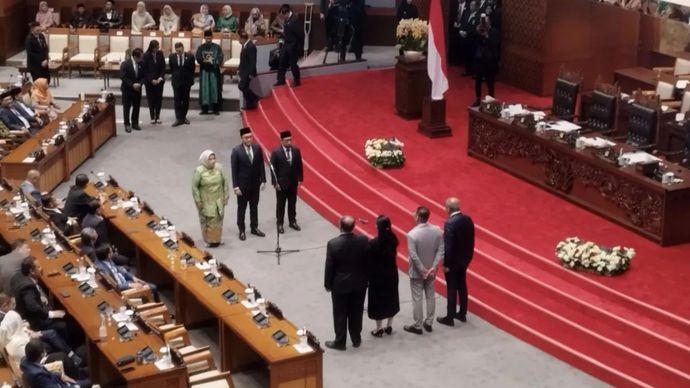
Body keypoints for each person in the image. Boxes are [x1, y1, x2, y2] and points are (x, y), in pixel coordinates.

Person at [0, 295, 81, 378]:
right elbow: (33, 360)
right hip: (39, 362)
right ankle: (74, 364)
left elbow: (21, 333)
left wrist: (29, 332)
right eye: (18, 323)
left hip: (34, 350)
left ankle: (72, 357)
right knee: (57, 348)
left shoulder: (11, 335)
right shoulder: (16, 344)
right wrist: (31, 336)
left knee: (51, 335)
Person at [324, 215, 369, 350]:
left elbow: (329, 266)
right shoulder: (363, 240)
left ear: (340, 226)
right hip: (359, 283)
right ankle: (356, 339)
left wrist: (327, 284)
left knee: (340, 313)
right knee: (356, 312)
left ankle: (340, 341)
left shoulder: (333, 244)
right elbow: (367, 262)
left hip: (340, 285)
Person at [403, 206, 443, 335]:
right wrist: (433, 267)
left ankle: (418, 325)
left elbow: (413, 255)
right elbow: (441, 250)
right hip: (431, 270)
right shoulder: (437, 230)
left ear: (418, 217)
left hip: (417, 271)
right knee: (430, 295)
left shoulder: (412, 234)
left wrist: (422, 270)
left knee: (417, 298)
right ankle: (429, 322)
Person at [437, 197, 475, 326]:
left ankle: (450, 316)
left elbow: (449, 247)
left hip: (453, 262)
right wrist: (468, 258)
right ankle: (462, 313)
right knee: (462, 286)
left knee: (451, 288)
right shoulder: (468, 219)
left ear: (448, 208)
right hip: (464, 260)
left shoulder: (450, 224)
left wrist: (446, 264)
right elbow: (471, 241)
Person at [10, 257, 67, 334]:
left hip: (23, 312)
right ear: (32, 271)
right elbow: (33, 307)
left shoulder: (17, 276)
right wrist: (51, 314)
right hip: (33, 321)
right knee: (64, 322)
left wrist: (36, 296)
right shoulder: (28, 287)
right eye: (39, 267)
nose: (41, 268)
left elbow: (23, 294)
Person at [230, 127, 266, 241]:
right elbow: (234, 170)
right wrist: (235, 186)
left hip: (255, 184)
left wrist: (263, 180)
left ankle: (254, 227)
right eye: (246, 137)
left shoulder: (257, 148)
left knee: (254, 207)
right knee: (242, 208)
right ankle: (241, 230)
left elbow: (261, 164)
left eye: (250, 137)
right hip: (242, 185)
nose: (249, 139)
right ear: (241, 138)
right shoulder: (236, 151)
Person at [367, 215, 400, 337]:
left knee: (378, 300)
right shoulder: (394, 239)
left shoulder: (374, 243)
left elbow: (369, 260)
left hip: (378, 275)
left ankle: (379, 328)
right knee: (391, 297)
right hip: (391, 273)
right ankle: (389, 325)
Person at [192, 150, 229, 247]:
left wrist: (226, 196)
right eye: (210, 159)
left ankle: (217, 238)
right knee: (208, 220)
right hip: (206, 200)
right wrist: (198, 200)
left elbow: (225, 182)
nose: (213, 161)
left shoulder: (219, 168)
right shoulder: (199, 171)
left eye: (214, 158)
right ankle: (207, 239)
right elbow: (194, 187)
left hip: (218, 199)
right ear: (205, 160)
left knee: (219, 219)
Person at [94, 245, 158, 300]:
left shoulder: (107, 260)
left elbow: (120, 270)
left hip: (126, 281)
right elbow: (115, 286)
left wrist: (133, 278)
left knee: (146, 284)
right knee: (153, 287)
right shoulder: (103, 269)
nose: (113, 253)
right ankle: (156, 306)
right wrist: (130, 285)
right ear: (108, 255)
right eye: (111, 252)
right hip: (123, 289)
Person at [270, 130, 303, 233]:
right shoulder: (276, 153)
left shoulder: (296, 150)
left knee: (292, 203)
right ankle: (280, 223)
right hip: (281, 184)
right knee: (281, 205)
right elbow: (272, 169)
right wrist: (275, 183)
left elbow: (299, 166)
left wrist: (300, 178)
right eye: (287, 140)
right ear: (281, 141)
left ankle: (292, 221)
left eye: (290, 140)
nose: (289, 142)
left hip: (293, 183)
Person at [21, 339, 87, 387]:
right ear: (42, 354)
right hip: (61, 385)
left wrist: (59, 375)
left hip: (57, 380)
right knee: (91, 382)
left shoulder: (25, 362)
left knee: (87, 371)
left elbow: (48, 374)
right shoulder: (39, 376)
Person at [471, 14, 499, 107]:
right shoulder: (479, 29)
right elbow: (474, 41)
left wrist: (486, 35)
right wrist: (477, 32)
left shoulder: (494, 31)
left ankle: (491, 100)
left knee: (489, 81)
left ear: (489, 22)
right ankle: (478, 99)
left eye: (485, 21)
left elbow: (494, 44)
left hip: (489, 60)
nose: (484, 23)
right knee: (478, 80)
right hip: (479, 58)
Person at [196, 30, 223, 115]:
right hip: (204, 70)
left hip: (214, 70)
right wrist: (204, 61)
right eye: (206, 38)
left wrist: (214, 62)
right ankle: (205, 109)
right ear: (204, 38)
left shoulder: (217, 47)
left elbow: (220, 56)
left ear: (212, 37)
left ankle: (216, 109)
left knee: (215, 88)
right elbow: (198, 57)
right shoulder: (201, 47)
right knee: (205, 89)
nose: (208, 40)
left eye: (209, 38)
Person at [275, 4, 304, 87]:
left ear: (287, 13)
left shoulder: (295, 19)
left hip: (293, 46)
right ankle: (281, 80)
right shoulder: (287, 19)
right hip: (286, 44)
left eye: (283, 16)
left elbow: (300, 34)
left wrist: (298, 46)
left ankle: (297, 80)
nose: (282, 18)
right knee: (282, 62)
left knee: (293, 64)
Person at [169, 42, 195, 127]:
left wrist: (191, 80)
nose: (178, 52)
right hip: (176, 82)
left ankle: (184, 117)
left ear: (183, 48)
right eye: (176, 50)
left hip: (186, 81)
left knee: (185, 100)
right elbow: (172, 68)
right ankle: (178, 118)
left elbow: (192, 69)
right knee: (177, 100)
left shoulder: (190, 56)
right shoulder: (172, 57)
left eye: (179, 50)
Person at [120, 47, 144, 132]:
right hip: (127, 90)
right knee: (127, 108)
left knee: (136, 107)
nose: (142, 59)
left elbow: (143, 76)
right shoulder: (125, 64)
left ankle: (135, 123)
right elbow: (123, 77)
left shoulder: (142, 64)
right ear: (135, 57)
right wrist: (132, 85)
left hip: (137, 90)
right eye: (140, 57)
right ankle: (127, 124)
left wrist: (140, 84)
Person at [143, 40, 165, 124]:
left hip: (159, 81)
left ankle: (158, 116)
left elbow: (163, 67)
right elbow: (145, 70)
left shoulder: (160, 54)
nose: (158, 49)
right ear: (152, 48)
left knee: (159, 99)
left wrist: (160, 78)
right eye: (156, 47)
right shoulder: (146, 56)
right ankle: (152, 117)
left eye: (158, 47)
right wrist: (151, 80)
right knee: (151, 99)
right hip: (149, 82)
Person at [238, 31, 259, 110]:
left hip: (248, 72)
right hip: (243, 71)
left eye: (239, 39)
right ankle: (250, 104)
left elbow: (253, 61)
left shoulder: (251, 46)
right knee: (244, 87)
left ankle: (254, 97)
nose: (238, 41)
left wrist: (251, 73)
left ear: (242, 39)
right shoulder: (245, 45)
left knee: (242, 86)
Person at [458, 0, 479, 76]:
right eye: (470, 5)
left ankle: (473, 71)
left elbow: (476, 28)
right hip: (464, 38)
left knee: (472, 55)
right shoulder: (467, 13)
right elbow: (463, 23)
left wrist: (467, 33)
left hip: (472, 39)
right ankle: (467, 70)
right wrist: (461, 30)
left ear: (477, 7)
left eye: (473, 5)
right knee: (466, 54)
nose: (471, 6)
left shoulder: (478, 16)